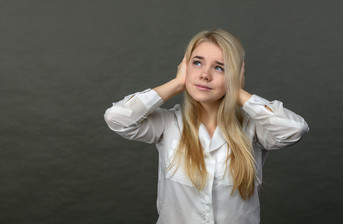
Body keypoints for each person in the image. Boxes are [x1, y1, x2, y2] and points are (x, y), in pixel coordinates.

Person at [104, 29, 309, 224]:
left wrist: (236, 92)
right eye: (197, 63)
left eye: (219, 67)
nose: (205, 75)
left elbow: (294, 129)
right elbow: (117, 118)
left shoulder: (253, 128)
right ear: (185, 67)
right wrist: (177, 83)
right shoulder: (168, 124)